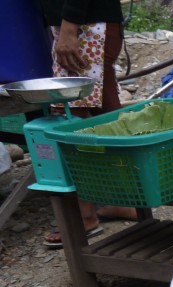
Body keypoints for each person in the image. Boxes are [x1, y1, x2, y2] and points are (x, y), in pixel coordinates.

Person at [35, 0, 136, 248]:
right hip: (85, 22)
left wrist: (69, 28)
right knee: (107, 116)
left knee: (72, 119)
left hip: (84, 26)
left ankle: (85, 215)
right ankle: (125, 201)